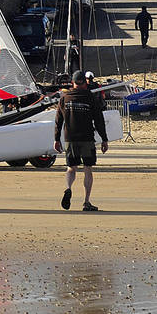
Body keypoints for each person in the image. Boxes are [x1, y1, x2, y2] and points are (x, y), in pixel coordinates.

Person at [53, 71, 108, 211]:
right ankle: (86, 202)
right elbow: (99, 120)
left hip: (70, 138)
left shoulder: (65, 98)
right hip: (87, 138)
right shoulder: (90, 97)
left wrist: (56, 139)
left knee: (71, 167)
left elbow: (58, 120)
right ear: (85, 82)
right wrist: (104, 139)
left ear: (73, 83)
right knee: (87, 168)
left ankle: (68, 188)